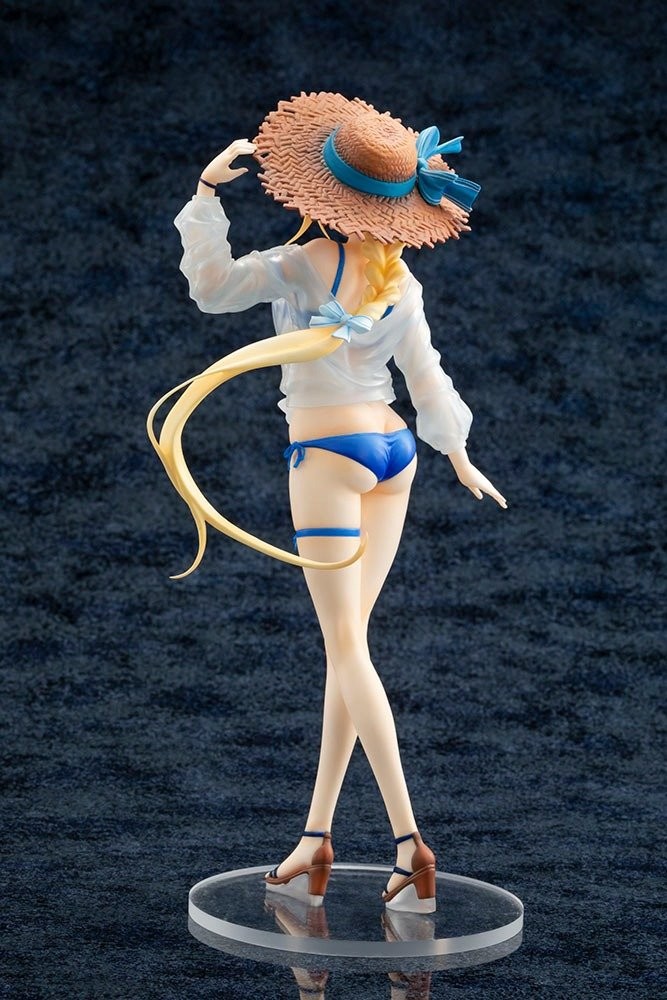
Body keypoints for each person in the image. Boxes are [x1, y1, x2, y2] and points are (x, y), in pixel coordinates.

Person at [148, 93, 507, 913]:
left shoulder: (299, 262)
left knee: (347, 649)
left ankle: (409, 845)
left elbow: (211, 289)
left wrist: (205, 197)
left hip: (329, 458)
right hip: (395, 454)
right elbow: (427, 378)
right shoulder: (402, 279)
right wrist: (456, 453)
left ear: (321, 195)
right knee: (349, 653)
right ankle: (315, 836)